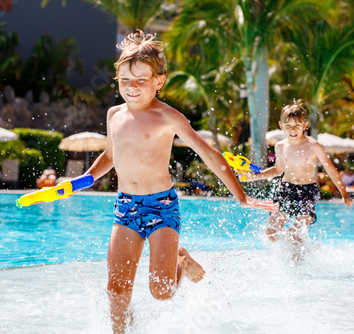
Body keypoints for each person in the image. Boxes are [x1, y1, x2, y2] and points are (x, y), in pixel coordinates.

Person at [82, 30, 277, 333]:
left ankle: (181, 261)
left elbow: (209, 153)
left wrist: (240, 195)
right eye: (124, 80)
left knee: (162, 291)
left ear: (159, 81)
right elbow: (111, 154)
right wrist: (84, 179)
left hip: (161, 207)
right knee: (116, 290)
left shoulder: (168, 117)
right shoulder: (114, 114)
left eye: (141, 80)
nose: (132, 87)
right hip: (125, 207)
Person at [243, 99, 353, 259]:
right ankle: (287, 256)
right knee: (271, 233)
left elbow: (330, 168)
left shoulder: (313, 145)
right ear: (281, 126)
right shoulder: (280, 146)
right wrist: (253, 177)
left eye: (297, 125)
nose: (292, 129)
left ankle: (299, 264)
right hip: (285, 189)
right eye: (288, 125)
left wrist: (344, 193)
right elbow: (278, 170)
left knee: (297, 236)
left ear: (305, 125)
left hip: (307, 191)